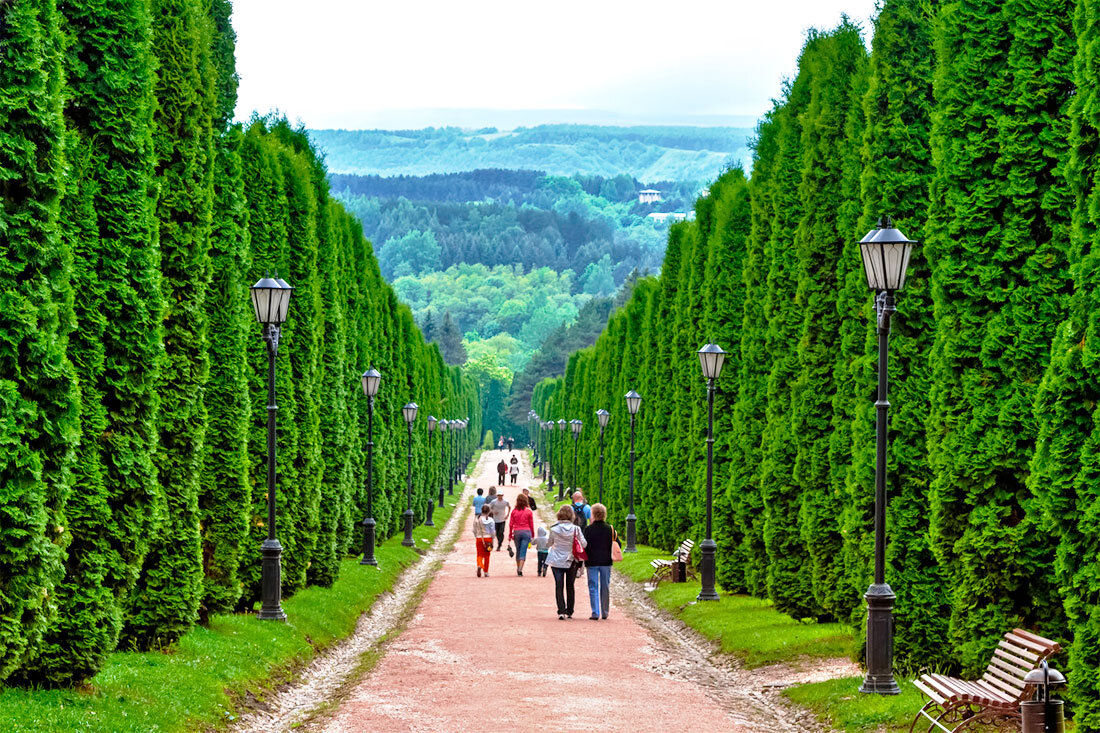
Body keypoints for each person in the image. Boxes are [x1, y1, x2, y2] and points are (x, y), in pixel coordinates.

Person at [546, 505, 586, 619]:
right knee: (570, 585)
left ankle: (561, 611)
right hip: (571, 559)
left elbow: (549, 544)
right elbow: (584, 544)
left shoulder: (554, 529)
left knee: (559, 585)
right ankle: (570, 610)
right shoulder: (576, 529)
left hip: (556, 560)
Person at [583, 503, 617, 620]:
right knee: (605, 586)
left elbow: (584, 545)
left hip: (592, 561)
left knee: (593, 586)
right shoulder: (610, 529)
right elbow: (617, 544)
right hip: (606, 561)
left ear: (593, 514)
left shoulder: (588, 530)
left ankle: (595, 612)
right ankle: (605, 611)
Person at [508, 493, 535, 576]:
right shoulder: (529, 511)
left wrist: (510, 534)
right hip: (526, 532)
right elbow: (531, 524)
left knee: (518, 550)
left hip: (517, 532)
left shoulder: (514, 511)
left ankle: (518, 567)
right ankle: (520, 569)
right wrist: (532, 534)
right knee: (523, 551)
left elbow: (511, 524)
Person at [472, 504, 495, 577]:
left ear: (482, 511)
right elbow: (492, 531)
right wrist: (493, 538)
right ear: (489, 511)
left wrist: (476, 536)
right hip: (488, 538)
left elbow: (474, 530)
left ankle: (480, 565)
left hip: (479, 538)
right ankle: (486, 571)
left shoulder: (477, 519)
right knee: (487, 555)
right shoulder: (491, 520)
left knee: (479, 554)